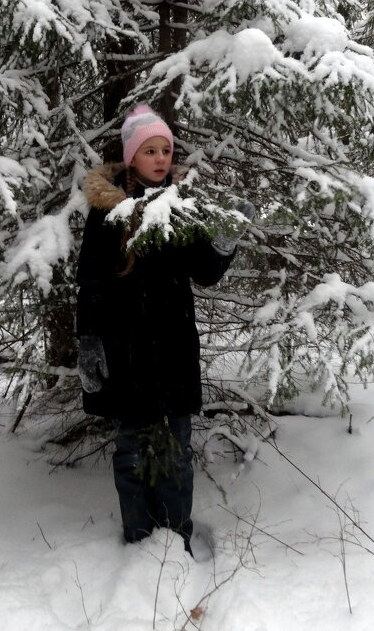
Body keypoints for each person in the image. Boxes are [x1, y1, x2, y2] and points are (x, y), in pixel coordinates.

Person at [75, 104, 253, 554]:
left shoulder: (180, 208)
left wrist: (225, 239)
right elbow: (91, 284)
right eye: (150, 150)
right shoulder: (107, 213)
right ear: (131, 156)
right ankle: (138, 540)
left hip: (173, 354)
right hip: (126, 355)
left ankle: (176, 539)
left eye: (166, 151)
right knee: (131, 453)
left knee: (176, 453)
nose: (160, 159)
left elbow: (206, 272)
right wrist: (90, 343)